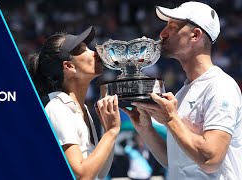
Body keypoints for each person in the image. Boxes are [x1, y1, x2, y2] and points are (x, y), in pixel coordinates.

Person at [122, 2, 242, 179]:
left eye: (172, 27)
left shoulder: (220, 86)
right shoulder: (183, 92)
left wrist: (171, 119)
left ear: (195, 35)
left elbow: (211, 160)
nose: (162, 33)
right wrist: (145, 129)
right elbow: (173, 159)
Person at [27, 26, 121, 180]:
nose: (95, 53)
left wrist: (107, 129)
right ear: (69, 66)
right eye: (84, 49)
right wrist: (111, 132)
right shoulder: (58, 108)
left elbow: (100, 172)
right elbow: (82, 175)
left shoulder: (82, 109)